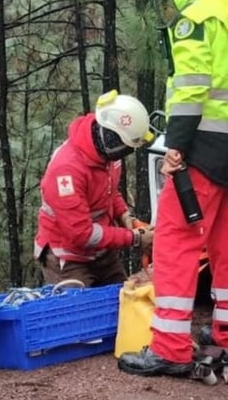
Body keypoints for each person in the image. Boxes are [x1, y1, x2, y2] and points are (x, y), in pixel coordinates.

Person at [118, 0, 228, 380]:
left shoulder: (193, 19)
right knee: (226, 245)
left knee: (176, 243)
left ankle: (170, 348)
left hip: (199, 144)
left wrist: (176, 147)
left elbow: (191, 89)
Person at [33, 91, 156, 286]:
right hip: (67, 255)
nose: (126, 154)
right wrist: (134, 238)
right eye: (125, 148)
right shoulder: (67, 171)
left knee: (122, 305)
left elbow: (109, 192)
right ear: (111, 138)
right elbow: (81, 234)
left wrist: (125, 216)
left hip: (102, 252)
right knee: (77, 312)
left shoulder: (107, 157)